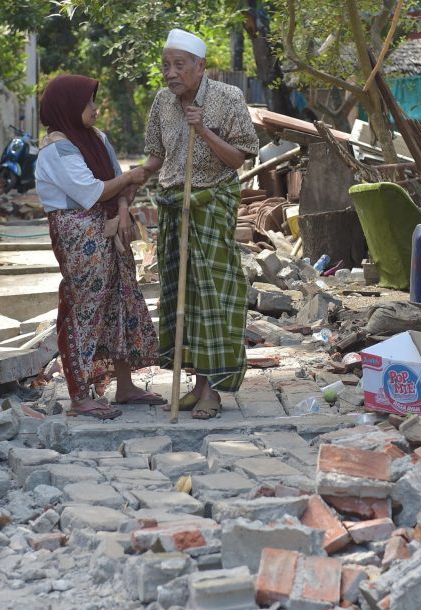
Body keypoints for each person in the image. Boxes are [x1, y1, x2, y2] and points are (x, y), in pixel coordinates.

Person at [142, 29, 260, 419]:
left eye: (179, 65)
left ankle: (214, 390)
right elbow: (156, 159)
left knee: (213, 295)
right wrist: (125, 185)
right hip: (175, 208)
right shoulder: (162, 102)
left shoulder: (228, 99)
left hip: (211, 205)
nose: (171, 73)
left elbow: (238, 159)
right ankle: (196, 384)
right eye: (166, 65)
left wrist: (203, 130)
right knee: (182, 297)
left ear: (200, 66)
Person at [35, 74, 165, 420]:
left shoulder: (97, 139)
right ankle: (80, 395)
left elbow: (116, 184)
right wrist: (132, 177)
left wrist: (124, 210)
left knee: (122, 299)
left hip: (111, 228)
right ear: (68, 107)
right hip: (80, 236)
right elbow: (92, 190)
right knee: (85, 308)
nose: (95, 108)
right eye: (88, 102)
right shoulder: (57, 149)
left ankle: (125, 386)